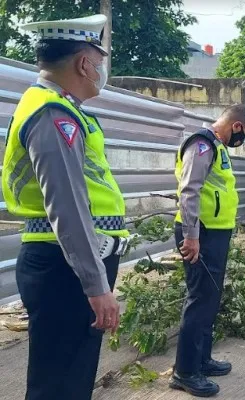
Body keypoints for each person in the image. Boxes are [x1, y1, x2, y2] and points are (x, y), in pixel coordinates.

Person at [0, 14, 129, 400]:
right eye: (100, 60)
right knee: (59, 385)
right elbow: (68, 207)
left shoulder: (58, 107)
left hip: (66, 264)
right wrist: (96, 284)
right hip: (64, 268)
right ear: (84, 63)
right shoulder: (52, 114)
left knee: (70, 379)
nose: (101, 70)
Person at [170, 104, 245, 396]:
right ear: (236, 126)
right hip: (200, 234)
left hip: (214, 233)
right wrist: (192, 236)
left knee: (210, 297)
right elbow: (189, 190)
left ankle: (202, 360)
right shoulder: (201, 145)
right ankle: (184, 372)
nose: (243, 140)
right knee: (199, 299)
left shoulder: (217, 147)